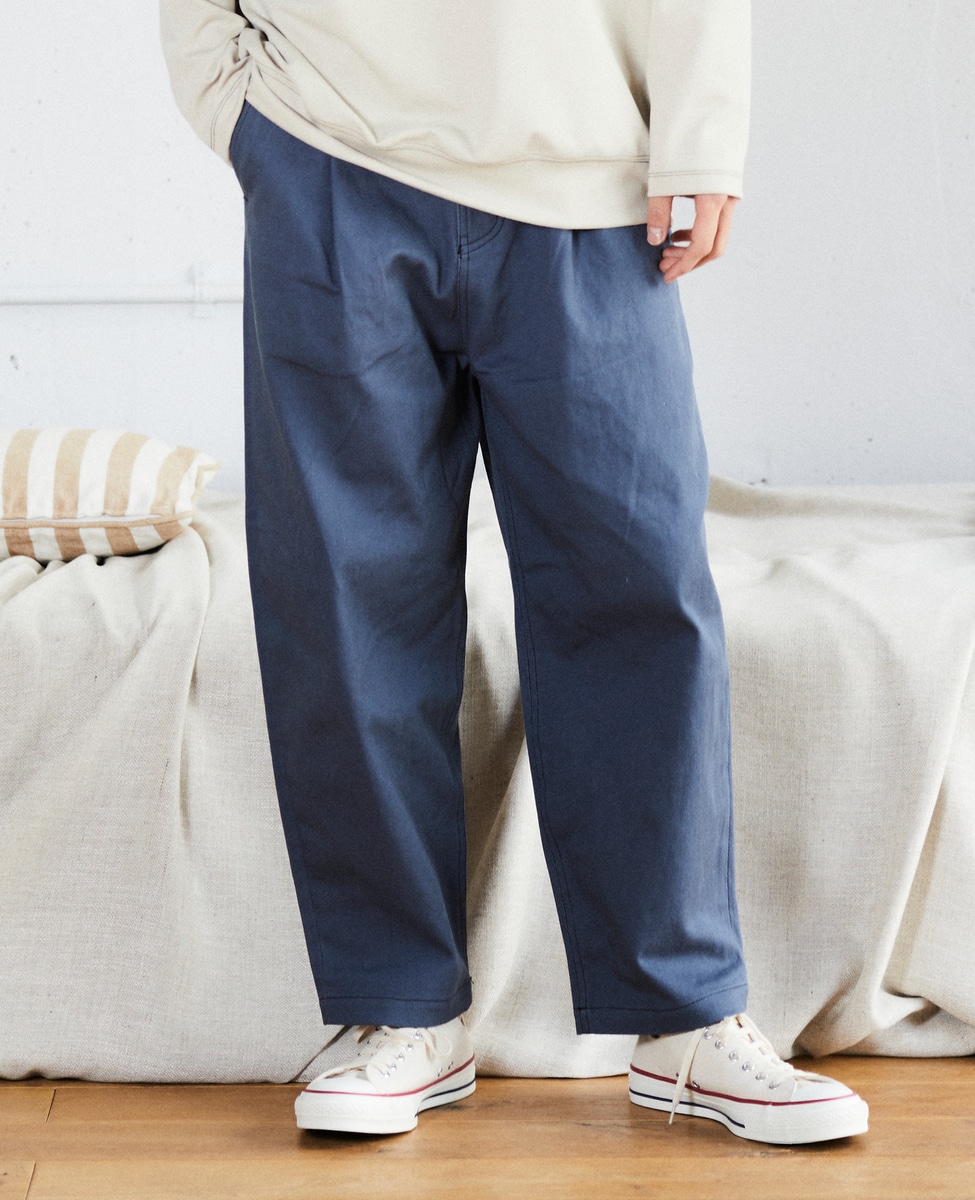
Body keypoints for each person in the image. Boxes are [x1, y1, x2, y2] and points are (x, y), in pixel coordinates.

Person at [160, 0, 869, 1145]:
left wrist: (701, 134)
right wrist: (238, 105)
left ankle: (682, 1015)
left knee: (638, 590)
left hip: (587, 171)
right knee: (347, 604)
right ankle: (401, 1010)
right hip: (331, 146)